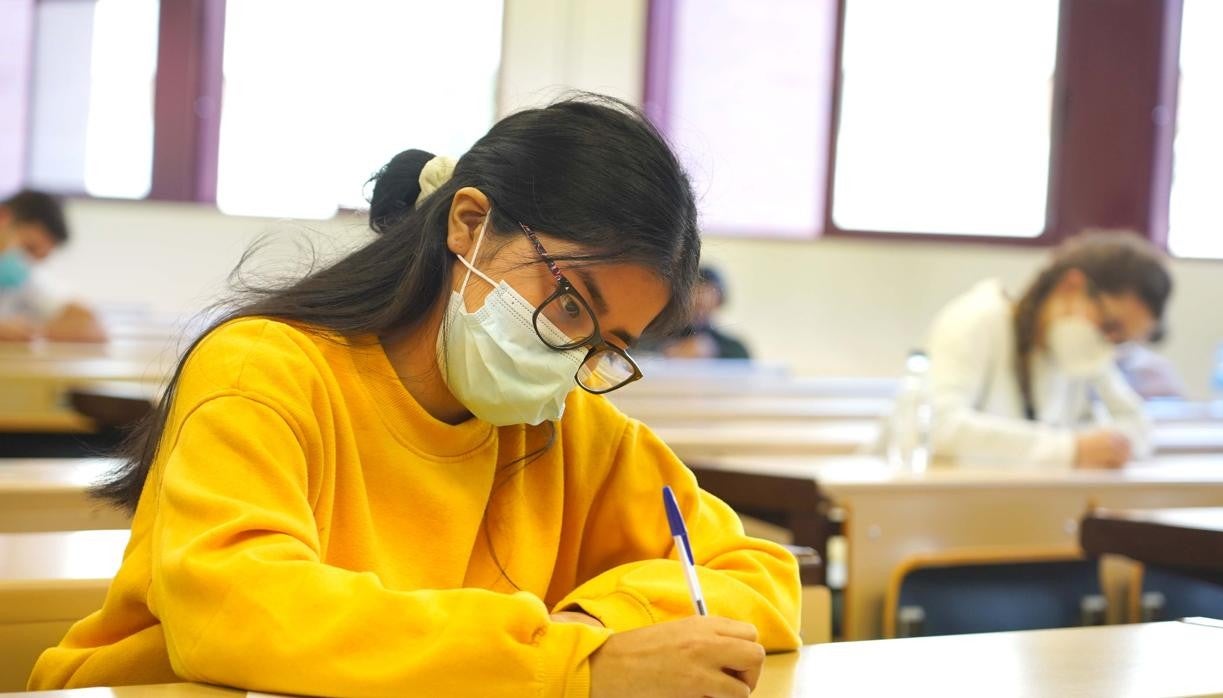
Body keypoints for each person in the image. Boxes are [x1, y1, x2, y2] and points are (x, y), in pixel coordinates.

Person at [28, 96, 800, 697]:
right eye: (569, 303)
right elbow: (234, 614)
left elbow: (758, 574)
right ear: (469, 223)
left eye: (606, 346)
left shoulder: (570, 428)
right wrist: (569, 666)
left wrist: (599, 626)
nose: (571, 357)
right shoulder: (263, 369)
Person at [925, 231, 1172, 469]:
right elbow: (939, 428)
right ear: (1071, 285)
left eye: (1121, 341)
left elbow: (1138, 428)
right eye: (1109, 325)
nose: (1108, 344)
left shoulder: (1085, 357)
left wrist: (1106, 446)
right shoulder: (977, 320)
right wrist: (1070, 449)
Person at [0, 189, 106, 342]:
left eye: (38, 257)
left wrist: (37, 330)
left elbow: (87, 320)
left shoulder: (21, 277)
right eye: (28, 247)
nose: (25, 261)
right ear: (3, 217)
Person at [649, 266, 751, 360]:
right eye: (696, 304)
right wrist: (668, 353)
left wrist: (715, 353)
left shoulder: (735, 349)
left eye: (706, 306)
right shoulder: (651, 341)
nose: (701, 299)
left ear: (719, 303)